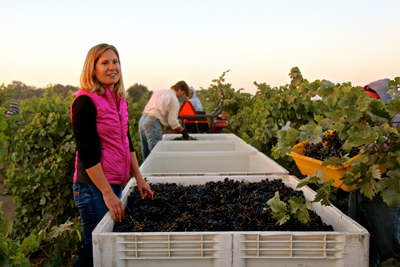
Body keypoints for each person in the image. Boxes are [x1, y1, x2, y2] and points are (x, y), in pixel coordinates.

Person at [70, 43, 154, 267]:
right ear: (93, 68)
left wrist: (139, 178)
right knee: (95, 248)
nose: (111, 67)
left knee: (107, 247)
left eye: (115, 62)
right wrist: (106, 192)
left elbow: (127, 142)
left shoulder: (118, 101)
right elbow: (86, 152)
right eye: (104, 63)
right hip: (94, 187)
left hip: (114, 183)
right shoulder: (85, 101)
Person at [348, 78, 400, 264]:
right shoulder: (361, 119)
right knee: (359, 238)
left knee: (388, 245)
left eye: (370, 102)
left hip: (385, 190)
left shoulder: (396, 120)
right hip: (359, 183)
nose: (366, 109)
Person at [139, 81, 190, 160]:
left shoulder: (159, 92)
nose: (181, 96)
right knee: (157, 153)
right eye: (183, 94)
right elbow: (172, 122)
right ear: (179, 89)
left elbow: (159, 109)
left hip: (143, 120)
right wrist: (183, 131)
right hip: (152, 122)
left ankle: (146, 172)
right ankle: (157, 171)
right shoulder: (174, 99)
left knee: (146, 154)